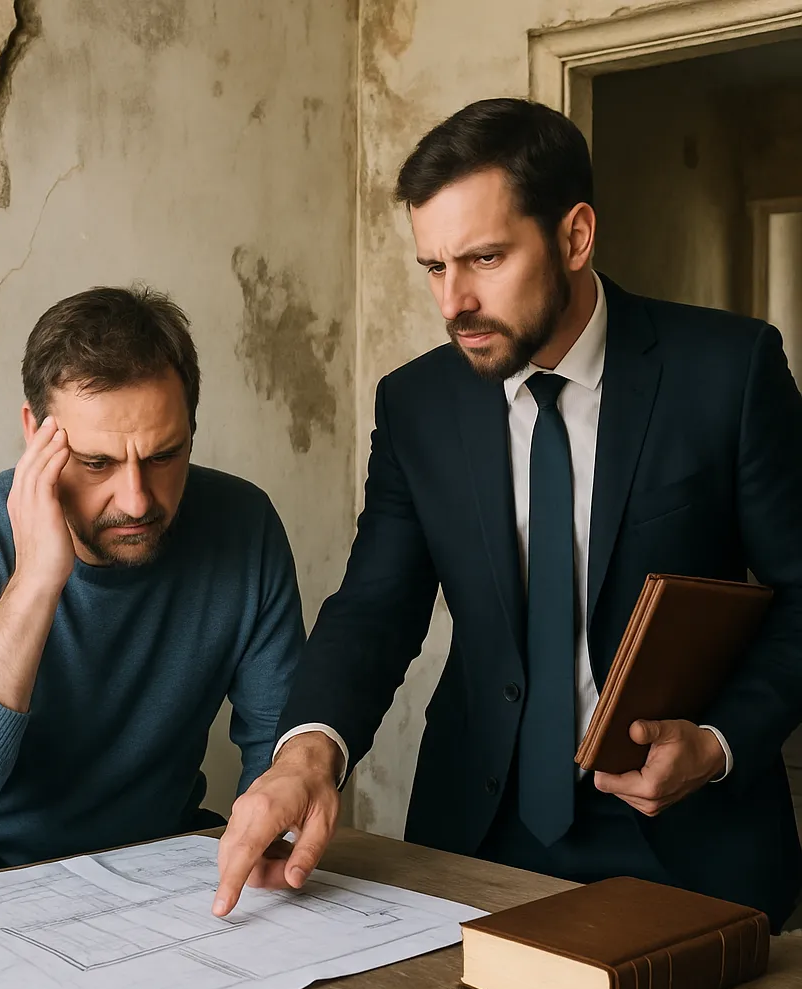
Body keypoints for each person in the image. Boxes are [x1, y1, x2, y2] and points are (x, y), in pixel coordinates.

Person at [213, 98, 802, 932]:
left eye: (485, 258)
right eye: (433, 267)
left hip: (693, 835)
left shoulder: (730, 371)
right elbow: (377, 605)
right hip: (479, 835)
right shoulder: (416, 403)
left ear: (575, 236)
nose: (453, 302)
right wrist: (308, 755)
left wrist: (717, 742)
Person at [0, 285, 304, 894]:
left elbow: (279, 748)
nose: (137, 500)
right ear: (34, 434)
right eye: (96, 463)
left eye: (164, 456)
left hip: (151, 849)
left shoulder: (244, 525)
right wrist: (35, 582)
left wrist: (274, 835)